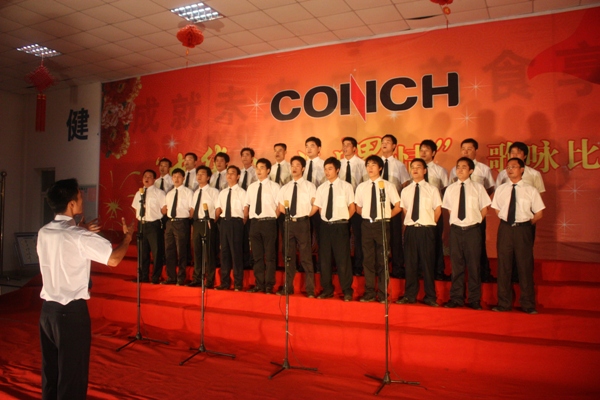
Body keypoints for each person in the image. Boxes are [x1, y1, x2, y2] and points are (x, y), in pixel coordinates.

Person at [38, 178, 133, 400]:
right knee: (72, 377)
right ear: (71, 204)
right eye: (80, 197)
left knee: (51, 374)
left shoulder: (44, 232)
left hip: (48, 312)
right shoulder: (79, 235)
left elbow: (65, 242)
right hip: (71, 313)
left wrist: (80, 229)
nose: (82, 201)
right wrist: (128, 238)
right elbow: (113, 259)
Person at [491, 158, 545, 314]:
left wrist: (525, 223)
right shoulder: (501, 189)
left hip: (523, 229)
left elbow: (539, 213)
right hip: (505, 229)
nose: (510, 170)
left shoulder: (530, 190)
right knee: (504, 266)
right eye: (508, 167)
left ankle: (528, 304)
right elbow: (497, 209)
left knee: (524, 266)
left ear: (522, 169)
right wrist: (509, 221)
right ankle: (503, 303)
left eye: (514, 167)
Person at [442, 158, 491, 310]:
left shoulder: (478, 188)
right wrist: (458, 223)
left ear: (471, 171)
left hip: (473, 230)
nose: (460, 170)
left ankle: (474, 299)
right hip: (456, 231)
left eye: (464, 167)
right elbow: (449, 209)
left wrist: (474, 222)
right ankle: (456, 298)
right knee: (457, 266)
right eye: (458, 167)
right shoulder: (450, 189)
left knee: (474, 265)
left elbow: (484, 209)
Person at [495, 141, 545, 283]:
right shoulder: (503, 175)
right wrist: (505, 217)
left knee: (524, 256)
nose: (515, 155)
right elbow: (499, 199)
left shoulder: (534, 174)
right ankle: (509, 286)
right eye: (512, 153)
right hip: (507, 223)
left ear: (525, 156)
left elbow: (539, 198)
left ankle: (523, 284)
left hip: (525, 221)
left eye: (518, 153)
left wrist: (529, 221)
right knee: (505, 257)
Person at [355, 155, 401, 303]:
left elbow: (398, 206)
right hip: (367, 225)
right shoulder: (362, 186)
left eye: (373, 165)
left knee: (383, 260)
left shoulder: (388, 186)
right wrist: (368, 217)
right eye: (368, 165)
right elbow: (358, 207)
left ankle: (382, 293)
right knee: (368, 260)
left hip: (382, 225)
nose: (370, 167)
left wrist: (386, 216)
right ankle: (369, 292)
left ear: (380, 168)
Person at [396, 158, 442, 307]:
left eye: (418, 167)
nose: (415, 170)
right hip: (411, 229)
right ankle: (410, 295)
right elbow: (405, 210)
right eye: (413, 167)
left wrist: (429, 223)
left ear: (425, 171)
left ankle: (430, 296)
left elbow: (437, 210)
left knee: (427, 264)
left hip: (426, 229)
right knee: (410, 264)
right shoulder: (406, 190)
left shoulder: (432, 189)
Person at [449, 138, 495, 283]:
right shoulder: (454, 170)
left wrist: (478, 205)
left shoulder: (484, 169)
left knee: (478, 246)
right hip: (459, 219)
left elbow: (490, 187)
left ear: (475, 150)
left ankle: (483, 274)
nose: (466, 151)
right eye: (463, 149)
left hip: (477, 214)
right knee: (458, 254)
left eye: (469, 149)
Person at [312, 157, 355, 301]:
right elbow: (319, 207)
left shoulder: (346, 186)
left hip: (340, 226)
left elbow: (352, 207)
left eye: (330, 169)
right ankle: (327, 289)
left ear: (337, 170)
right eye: (325, 169)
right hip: (325, 226)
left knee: (343, 259)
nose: (327, 172)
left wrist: (344, 219)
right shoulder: (321, 188)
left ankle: (347, 290)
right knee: (324, 259)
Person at [276, 156, 317, 297]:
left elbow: (315, 205)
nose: (294, 168)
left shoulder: (309, 186)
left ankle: (310, 290)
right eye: (292, 165)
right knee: (288, 257)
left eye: (297, 165)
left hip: (303, 223)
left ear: (303, 168)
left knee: (306, 257)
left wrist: (305, 215)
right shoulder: (285, 187)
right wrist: (290, 216)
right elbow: (281, 207)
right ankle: (288, 287)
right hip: (288, 223)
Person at [244, 158, 280, 294]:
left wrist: (272, 217)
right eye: (257, 168)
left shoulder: (274, 186)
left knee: (270, 256)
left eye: (262, 168)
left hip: (269, 222)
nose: (258, 170)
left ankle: (269, 285)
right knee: (257, 256)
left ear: (268, 170)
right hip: (254, 223)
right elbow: (247, 205)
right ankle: (259, 284)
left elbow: (279, 206)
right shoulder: (251, 187)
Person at [379, 134, 410, 278]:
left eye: (388, 142)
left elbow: (405, 185)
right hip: (377, 205)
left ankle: (397, 268)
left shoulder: (399, 165)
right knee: (379, 238)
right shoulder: (375, 164)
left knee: (395, 238)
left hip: (394, 206)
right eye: (382, 142)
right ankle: (381, 268)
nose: (384, 144)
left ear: (394, 146)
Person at [420, 139, 450, 281]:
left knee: (436, 240)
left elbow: (445, 190)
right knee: (420, 242)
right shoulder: (415, 168)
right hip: (419, 211)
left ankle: (438, 270)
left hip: (434, 210)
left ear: (433, 153)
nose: (423, 153)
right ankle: (420, 270)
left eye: (426, 150)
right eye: (421, 150)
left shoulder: (440, 171)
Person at [338, 136, 368, 277]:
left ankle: (358, 265)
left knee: (358, 237)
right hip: (341, 206)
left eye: (348, 145)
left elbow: (365, 185)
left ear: (354, 148)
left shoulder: (362, 164)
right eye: (343, 145)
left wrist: (359, 203)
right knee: (342, 237)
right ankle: (343, 265)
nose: (345, 147)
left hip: (356, 205)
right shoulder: (338, 164)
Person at [215, 166, 247, 291]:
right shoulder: (222, 193)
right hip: (224, 223)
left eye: (232, 173)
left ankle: (238, 283)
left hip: (236, 223)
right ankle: (225, 282)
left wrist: (240, 225)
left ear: (238, 176)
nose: (229, 175)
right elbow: (218, 210)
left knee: (236, 253)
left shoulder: (242, 192)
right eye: (228, 173)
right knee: (224, 253)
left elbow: (245, 212)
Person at [131, 169, 166, 284]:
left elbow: (164, 209)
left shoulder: (159, 193)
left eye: (150, 176)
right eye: (145, 176)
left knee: (156, 252)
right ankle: (143, 276)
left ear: (154, 179)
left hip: (154, 225)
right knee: (142, 252)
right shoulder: (138, 193)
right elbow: (136, 208)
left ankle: (155, 277)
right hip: (142, 225)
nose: (147, 178)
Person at [188, 166, 220, 288]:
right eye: (198, 174)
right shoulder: (196, 192)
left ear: (208, 177)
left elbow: (218, 209)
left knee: (209, 253)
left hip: (208, 222)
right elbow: (192, 210)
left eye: (202, 174)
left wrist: (212, 222)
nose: (199, 176)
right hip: (197, 223)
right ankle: (197, 278)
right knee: (197, 252)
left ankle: (210, 280)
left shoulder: (214, 191)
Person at [162, 168, 194, 285]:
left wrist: (184, 221)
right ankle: (171, 277)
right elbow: (165, 210)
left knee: (181, 251)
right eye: (174, 176)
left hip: (182, 222)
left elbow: (192, 210)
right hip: (170, 222)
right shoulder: (169, 193)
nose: (176, 179)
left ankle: (181, 278)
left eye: (179, 176)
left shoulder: (188, 192)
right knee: (169, 250)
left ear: (183, 178)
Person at [239, 147, 257, 270]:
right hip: (239, 208)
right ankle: (244, 260)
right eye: (243, 155)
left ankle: (252, 260)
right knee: (241, 236)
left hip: (252, 208)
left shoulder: (256, 172)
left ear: (252, 158)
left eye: (247, 155)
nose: (245, 157)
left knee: (251, 236)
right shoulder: (238, 173)